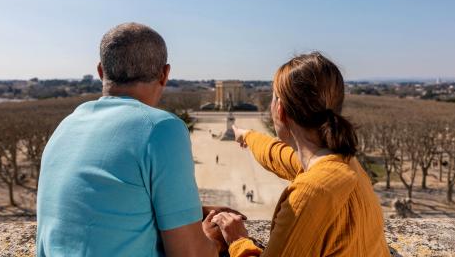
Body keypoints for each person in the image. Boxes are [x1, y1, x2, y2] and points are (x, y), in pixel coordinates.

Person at [36, 22, 240, 257]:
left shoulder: (66, 125)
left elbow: (108, 202)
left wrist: (196, 211)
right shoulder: (161, 127)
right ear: (164, 75)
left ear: (101, 72)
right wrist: (218, 239)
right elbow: (189, 254)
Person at [211, 52, 390, 256]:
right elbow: (279, 155)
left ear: (280, 110)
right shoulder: (345, 163)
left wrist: (238, 240)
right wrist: (247, 136)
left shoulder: (309, 192)